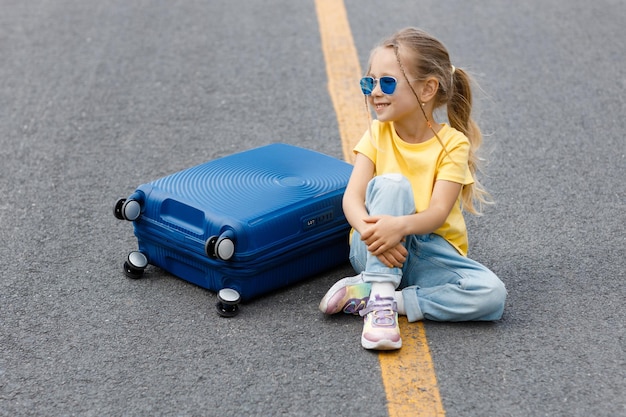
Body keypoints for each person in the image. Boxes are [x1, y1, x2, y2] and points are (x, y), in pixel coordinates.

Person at [319, 28, 507, 350]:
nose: (375, 91)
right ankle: (379, 300)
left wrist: (400, 227)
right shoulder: (378, 134)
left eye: (387, 82)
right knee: (392, 184)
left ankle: (389, 301)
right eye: (369, 82)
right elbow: (352, 198)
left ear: (427, 89)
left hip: (426, 251)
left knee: (492, 295)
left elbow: (436, 213)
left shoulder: (452, 144)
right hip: (374, 246)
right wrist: (375, 234)